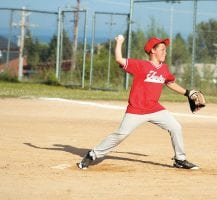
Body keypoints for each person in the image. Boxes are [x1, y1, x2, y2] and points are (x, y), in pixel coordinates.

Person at [78, 35, 200, 170]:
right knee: (121, 135)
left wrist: (187, 93)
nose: (165, 52)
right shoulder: (141, 65)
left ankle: (180, 159)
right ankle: (92, 154)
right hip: (136, 109)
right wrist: (119, 42)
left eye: (165, 50)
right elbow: (119, 59)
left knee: (175, 127)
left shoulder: (164, 69)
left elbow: (170, 83)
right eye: (162, 49)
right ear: (153, 51)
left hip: (155, 108)